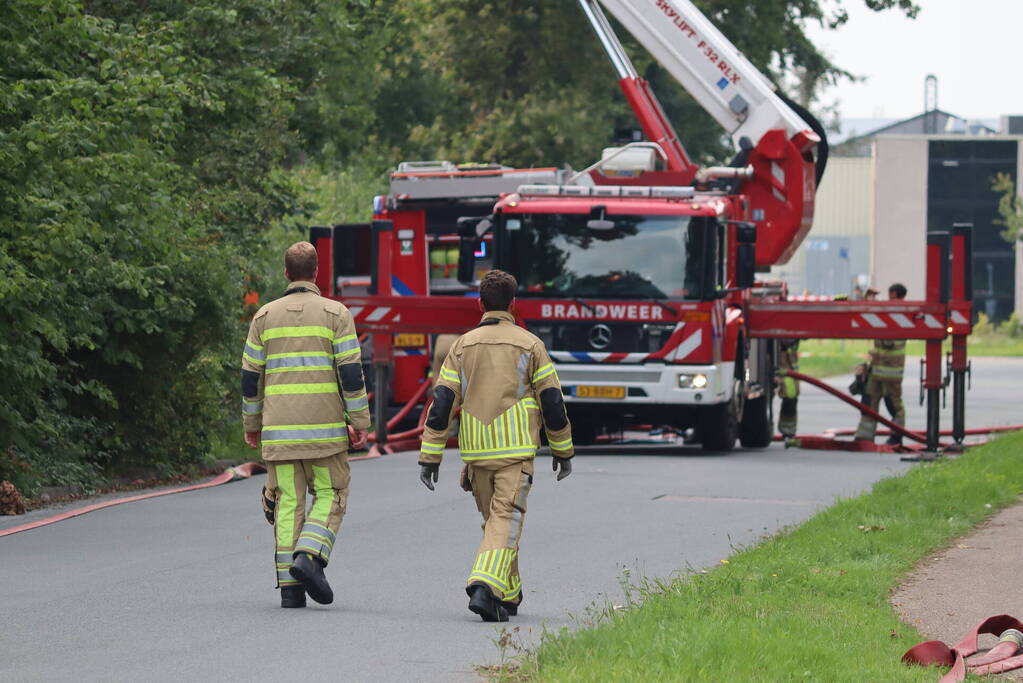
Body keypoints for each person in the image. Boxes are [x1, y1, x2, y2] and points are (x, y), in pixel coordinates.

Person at [418, 269, 574, 622]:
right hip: (514, 452)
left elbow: (441, 403)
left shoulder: (461, 345)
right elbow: (552, 402)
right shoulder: (530, 344)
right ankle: (484, 585)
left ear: (480, 303)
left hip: (476, 454)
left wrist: (430, 456)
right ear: (514, 304)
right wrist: (563, 450)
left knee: (497, 523)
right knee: (506, 519)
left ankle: (509, 594)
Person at [242, 241, 369, 608]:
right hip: (325, 434)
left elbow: (250, 378)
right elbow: (350, 373)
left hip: (279, 433)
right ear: (317, 273)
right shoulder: (336, 314)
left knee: (287, 504)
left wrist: (252, 423)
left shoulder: (263, 317)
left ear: (285, 273)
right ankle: (309, 556)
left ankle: (290, 590)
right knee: (330, 496)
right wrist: (360, 420)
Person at [854, 283, 908, 445]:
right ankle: (864, 437)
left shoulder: (900, 316)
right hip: (877, 371)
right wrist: (869, 299)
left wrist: (875, 304)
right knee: (869, 404)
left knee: (894, 405)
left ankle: (896, 437)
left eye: (893, 298)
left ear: (901, 298)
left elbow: (887, 340)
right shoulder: (889, 312)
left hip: (891, 372)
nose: (891, 301)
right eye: (889, 298)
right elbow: (868, 314)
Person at [776, 339, 800, 441]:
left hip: (788, 367)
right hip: (782, 365)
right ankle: (787, 430)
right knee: (790, 396)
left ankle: (788, 431)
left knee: (791, 396)